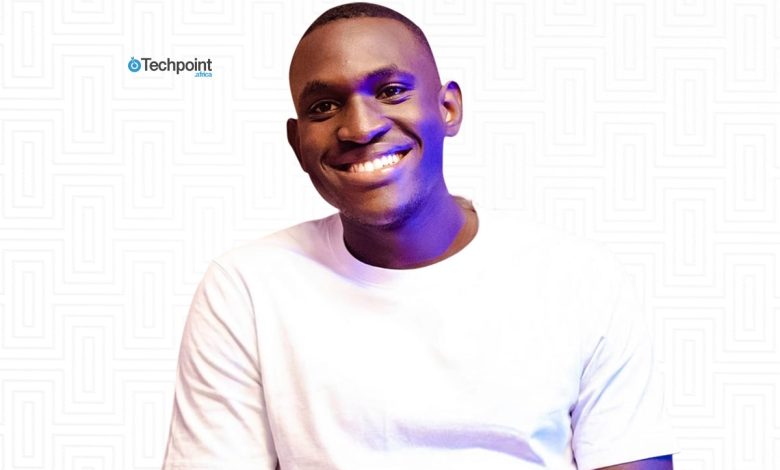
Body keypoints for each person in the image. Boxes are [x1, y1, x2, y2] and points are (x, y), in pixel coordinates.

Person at [161, 3, 677, 469]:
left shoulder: (578, 279)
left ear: (448, 109)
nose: (359, 128)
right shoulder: (247, 288)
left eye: (390, 91)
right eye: (324, 107)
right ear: (298, 144)